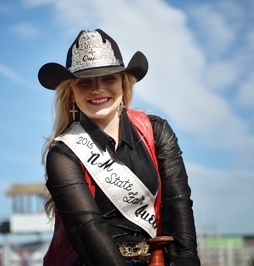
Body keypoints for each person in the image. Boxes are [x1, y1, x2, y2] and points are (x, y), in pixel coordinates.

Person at [38, 29, 200, 266]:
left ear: (123, 84)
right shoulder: (63, 153)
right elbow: (88, 229)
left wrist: (186, 261)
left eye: (108, 78)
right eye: (85, 82)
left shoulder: (157, 131)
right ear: (72, 93)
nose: (98, 88)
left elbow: (178, 202)